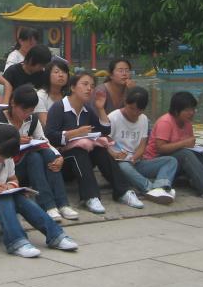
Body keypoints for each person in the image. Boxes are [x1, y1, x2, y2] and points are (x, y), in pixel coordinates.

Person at [0, 123, 78, 258]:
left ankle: (56, 235)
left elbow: (13, 179)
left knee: (17, 197)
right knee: (3, 198)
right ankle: (16, 242)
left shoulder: (6, 157)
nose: (0, 160)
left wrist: (11, 187)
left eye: (4, 158)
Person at [45, 70, 138, 213]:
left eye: (92, 86)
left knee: (100, 149)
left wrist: (100, 109)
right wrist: (75, 133)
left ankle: (123, 191)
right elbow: (50, 136)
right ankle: (90, 197)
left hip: (82, 163)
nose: (89, 88)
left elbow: (104, 131)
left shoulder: (87, 110)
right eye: (85, 84)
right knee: (78, 151)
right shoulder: (59, 108)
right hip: (61, 162)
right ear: (73, 87)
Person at [0, 84, 76, 221]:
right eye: (24, 110)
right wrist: (15, 141)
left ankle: (63, 204)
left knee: (49, 155)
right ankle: (48, 205)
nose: (26, 115)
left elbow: (43, 140)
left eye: (30, 111)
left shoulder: (32, 119)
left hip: (28, 165)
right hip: (8, 169)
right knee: (34, 157)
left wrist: (58, 156)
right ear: (13, 103)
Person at [145, 91, 203, 202]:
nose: (191, 113)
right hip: (158, 161)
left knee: (200, 153)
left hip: (177, 159)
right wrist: (184, 144)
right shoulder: (165, 122)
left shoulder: (187, 123)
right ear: (176, 111)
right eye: (187, 110)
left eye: (193, 109)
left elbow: (189, 145)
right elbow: (160, 148)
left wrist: (195, 147)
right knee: (185, 154)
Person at [109, 86, 178, 204]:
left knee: (171, 161)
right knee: (123, 166)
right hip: (119, 163)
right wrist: (116, 155)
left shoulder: (144, 119)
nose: (135, 113)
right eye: (131, 108)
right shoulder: (113, 117)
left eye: (139, 110)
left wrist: (134, 158)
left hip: (136, 162)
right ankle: (150, 188)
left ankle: (161, 186)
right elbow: (106, 144)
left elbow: (142, 146)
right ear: (125, 102)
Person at [36, 57, 70, 126]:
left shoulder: (69, 96)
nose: (61, 75)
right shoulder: (40, 96)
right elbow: (46, 124)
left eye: (64, 72)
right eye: (56, 72)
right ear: (48, 75)